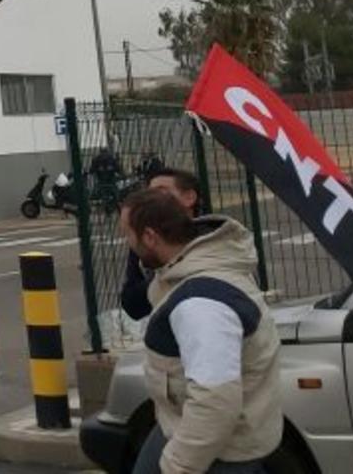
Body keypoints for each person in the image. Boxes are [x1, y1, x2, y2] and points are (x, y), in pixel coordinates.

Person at [119, 188, 282, 474]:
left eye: (128, 235)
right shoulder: (196, 266)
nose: (127, 244)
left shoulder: (200, 305)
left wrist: (177, 466)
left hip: (219, 455)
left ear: (149, 237)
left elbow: (215, 402)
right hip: (187, 429)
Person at [120, 168, 205, 321]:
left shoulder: (213, 237)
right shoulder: (145, 241)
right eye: (150, 193)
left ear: (189, 197)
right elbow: (132, 304)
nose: (153, 199)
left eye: (162, 191)